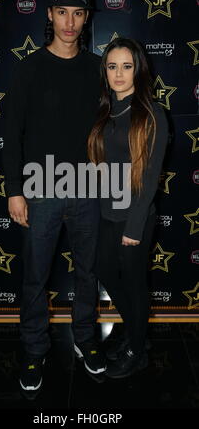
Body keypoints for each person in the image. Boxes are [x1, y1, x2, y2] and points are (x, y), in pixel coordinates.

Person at [2, 0, 106, 399]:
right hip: (39, 190)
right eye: (62, 12)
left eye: (78, 13)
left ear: (85, 19)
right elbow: (13, 134)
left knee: (88, 272)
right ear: (49, 15)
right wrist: (14, 190)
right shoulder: (29, 68)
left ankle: (85, 337)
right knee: (34, 277)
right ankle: (33, 349)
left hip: (88, 190)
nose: (70, 22)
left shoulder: (98, 68)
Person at [88, 37, 169, 378]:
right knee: (105, 271)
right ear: (104, 71)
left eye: (126, 66)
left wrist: (134, 228)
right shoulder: (104, 110)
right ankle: (137, 332)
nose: (119, 74)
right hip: (106, 213)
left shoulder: (152, 113)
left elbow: (150, 177)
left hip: (135, 217)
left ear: (138, 69)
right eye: (112, 66)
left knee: (135, 283)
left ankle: (137, 348)